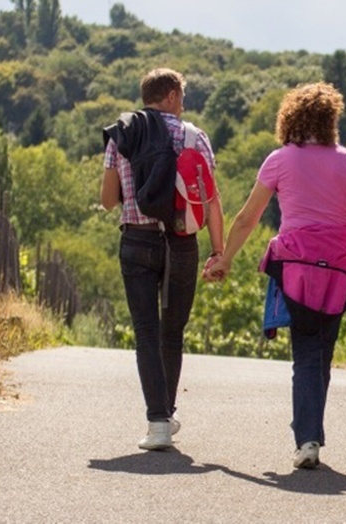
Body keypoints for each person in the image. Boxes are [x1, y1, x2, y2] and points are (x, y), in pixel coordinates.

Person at [203, 82, 346, 469]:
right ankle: (310, 432)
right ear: (331, 120)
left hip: (296, 266)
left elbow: (248, 217)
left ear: (290, 118)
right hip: (339, 267)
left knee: (305, 353)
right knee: (321, 352)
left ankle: (307, 438)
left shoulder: (280, 159)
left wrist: (225, 257)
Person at [100, 68, 224, 451]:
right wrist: (219, 252)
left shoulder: (122, 133)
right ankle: (166, 415)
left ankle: (158, 423)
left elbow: (107, 200)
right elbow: (211, 200)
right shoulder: (194, 136)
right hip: (181, 243)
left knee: (146, 331)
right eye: (182, 96)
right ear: (170, 95)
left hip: (136, 241)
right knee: (172, 331)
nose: (183, 104)